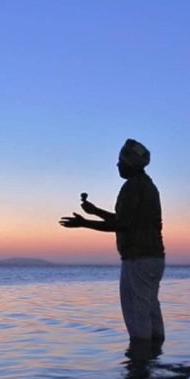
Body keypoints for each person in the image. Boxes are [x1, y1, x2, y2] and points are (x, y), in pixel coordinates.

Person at [59, 139, 166, 347]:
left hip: (138, 260)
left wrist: (84, 223)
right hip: (153, 258)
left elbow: (123, 225)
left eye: (120, 161)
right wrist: (95, 211)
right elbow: (128, 221)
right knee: (150, 308)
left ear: (129, 163)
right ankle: (156, 361)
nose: (118, 165)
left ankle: (140, 364)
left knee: (137, 313)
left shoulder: (132, 187)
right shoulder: (147, 186)